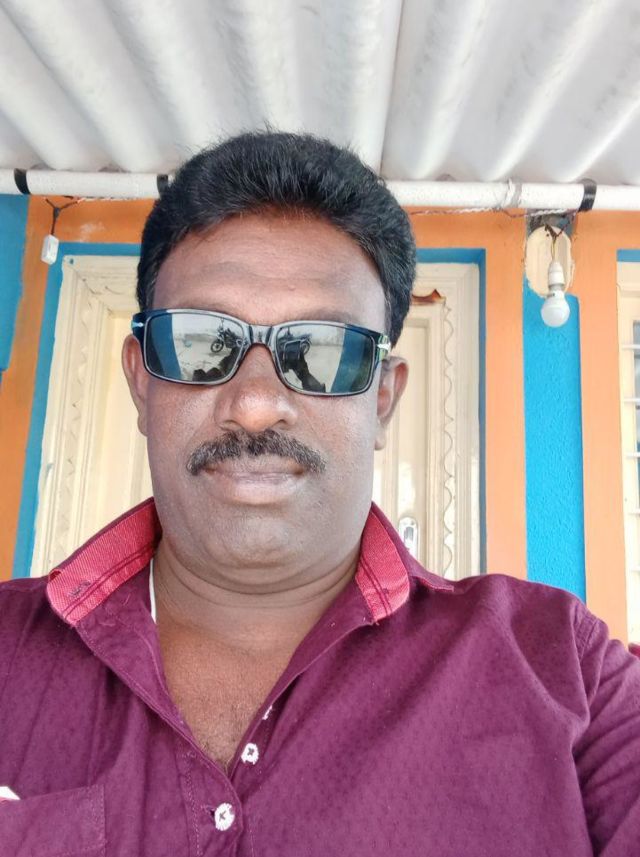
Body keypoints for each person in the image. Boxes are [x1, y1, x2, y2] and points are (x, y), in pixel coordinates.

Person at [0, 132, 638, 857]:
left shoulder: (566, 673)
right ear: (142, 382)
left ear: (383, 400)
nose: (255, 405)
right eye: (203, 342)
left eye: (324, 350)